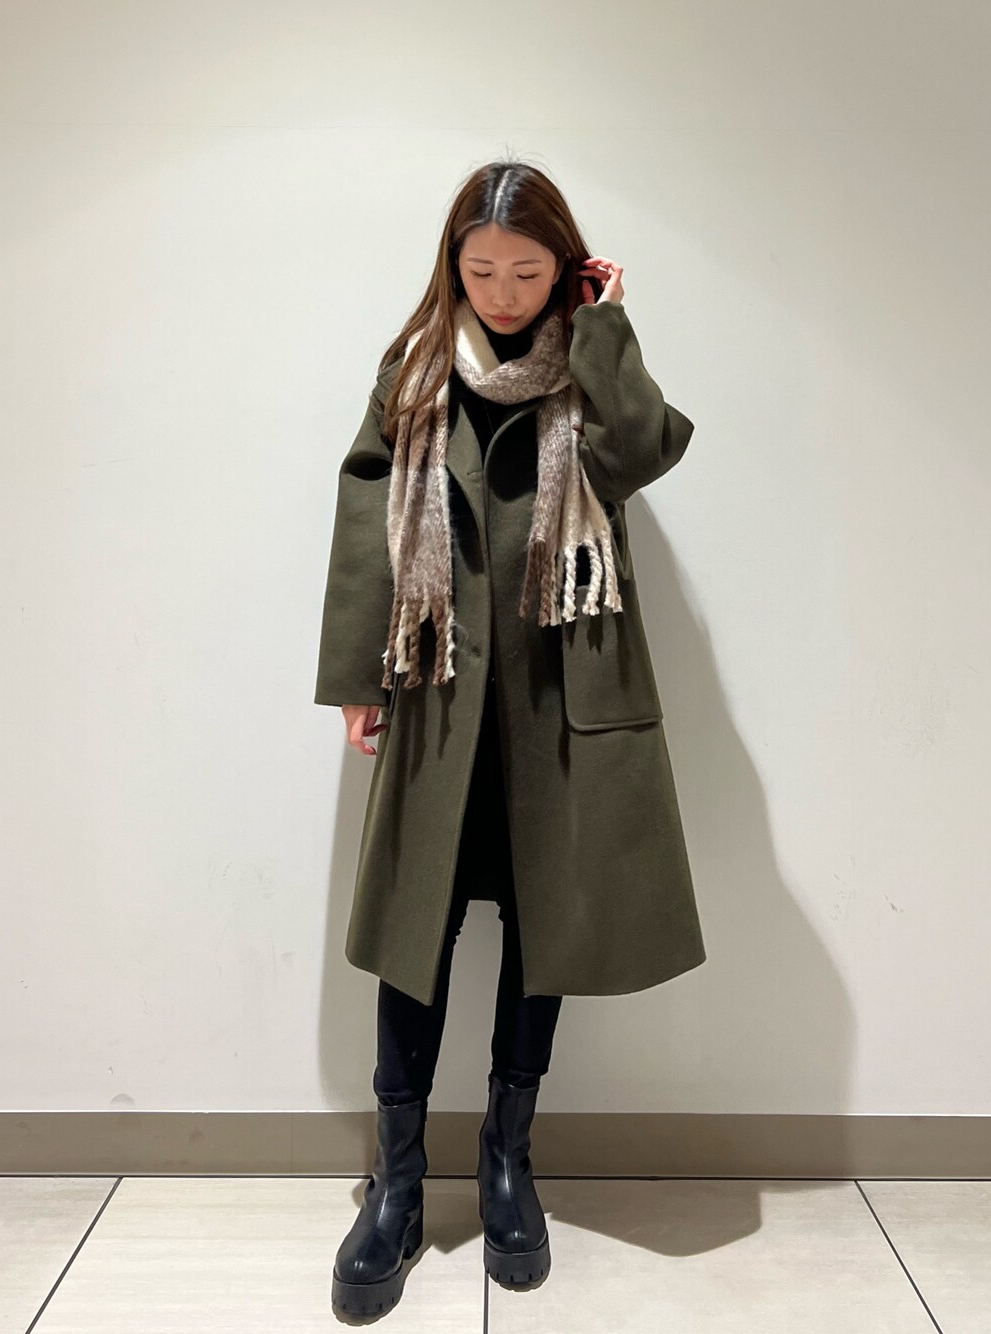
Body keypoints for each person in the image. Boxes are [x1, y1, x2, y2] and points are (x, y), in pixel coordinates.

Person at [315, 158, 707, 1318]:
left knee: (547, 923)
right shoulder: (413, 371)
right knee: (415, 934)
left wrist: (607, 326)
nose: (500, 292)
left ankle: (505, 1161)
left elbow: (641, 451)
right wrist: (355, 677)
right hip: (441, 693)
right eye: (481, 269)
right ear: (453, 265)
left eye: (527, 272)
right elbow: (364, 511)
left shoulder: (586, 370)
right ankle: (395, 1181)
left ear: (565, 270)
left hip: (553, 696)